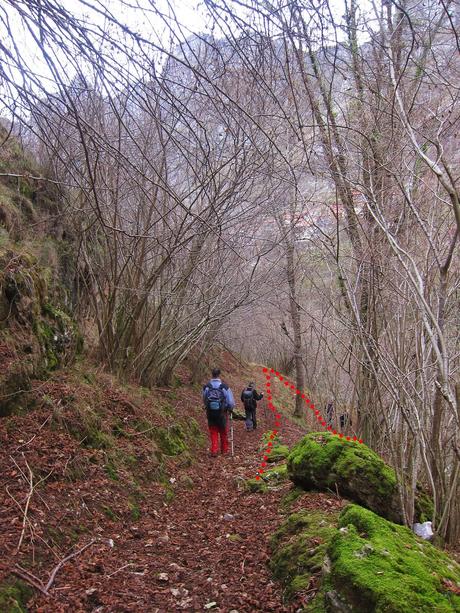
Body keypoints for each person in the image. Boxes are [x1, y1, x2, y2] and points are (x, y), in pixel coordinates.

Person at [202, 368, 235, 456]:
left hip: (210, 413)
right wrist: (229, 408)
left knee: (213, 431)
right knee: (223, 431)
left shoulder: (207, 386)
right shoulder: (224, 387)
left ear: (211, 374)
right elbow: (231, 402)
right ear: (219, 375)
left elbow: (204, 399)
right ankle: (224, 450)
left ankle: (214, 450)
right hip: (222, 413)